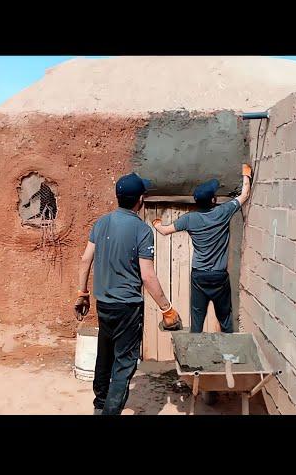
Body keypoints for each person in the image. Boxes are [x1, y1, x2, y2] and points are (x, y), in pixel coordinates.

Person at [74, 173, 182, 415]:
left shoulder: (100, 223)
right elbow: (147, 276)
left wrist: (82, 294)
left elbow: (84, 260)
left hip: (104, 305)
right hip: (128, 309)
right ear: (140, 199)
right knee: (124, 364)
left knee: (105, 353)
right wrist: (166, 308)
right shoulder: (142, 230)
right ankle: (109, 411)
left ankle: (100, 403)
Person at [152, 164, 252, 334]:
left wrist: (157, 222)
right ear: (213, 201)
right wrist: (246, 174)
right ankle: (229, 356)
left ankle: (194, 355)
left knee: (197, 319)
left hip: (199, 275)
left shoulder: (190, 219)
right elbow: (245, 195)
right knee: (225, 319)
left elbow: (163, 231)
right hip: (219, 276)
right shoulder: (223, 212)